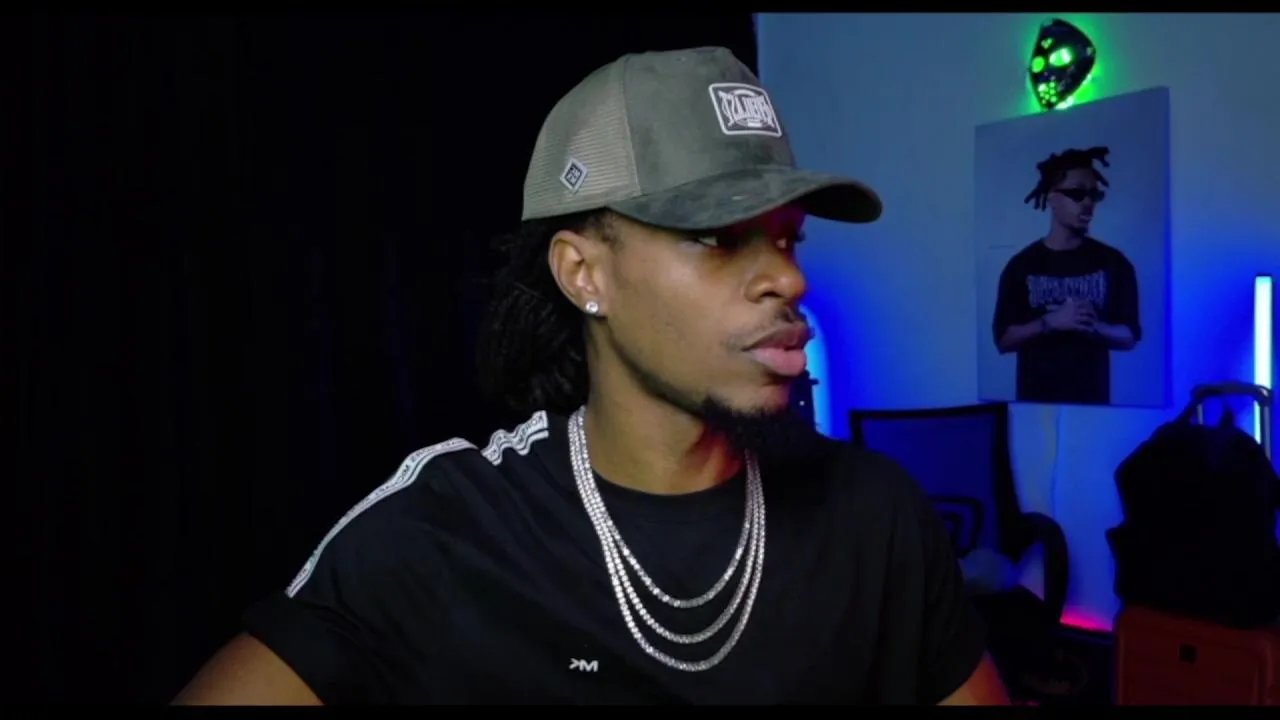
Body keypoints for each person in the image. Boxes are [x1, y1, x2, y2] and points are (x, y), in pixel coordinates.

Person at [175, 46, 1009, 705]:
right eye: (718, 237)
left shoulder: (875, 516)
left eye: (787, 238)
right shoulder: (442, 533)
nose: (787, 279)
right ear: (584, 274)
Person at [992, 146, 1142, 405]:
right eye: (1077, 193)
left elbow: (1130, 335)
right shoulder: (1022, 265)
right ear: (1051, 197)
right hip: (1034, 409)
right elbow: (1004, 339)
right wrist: (1049, 322)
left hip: (1095, 409)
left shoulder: (1114, 262)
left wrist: (1091, 325)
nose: (1088, 203)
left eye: (1093, 195)